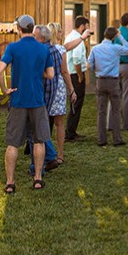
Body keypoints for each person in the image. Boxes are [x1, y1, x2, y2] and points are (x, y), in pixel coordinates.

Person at [0, 15, 54, 192]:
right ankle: (37, 178)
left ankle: (10, 183)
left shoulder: (12, 47)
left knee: (13, 143)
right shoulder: (43, 49)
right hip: (37, 100)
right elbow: (50, 74)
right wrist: (36, 74)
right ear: (32, 28)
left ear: (18, 29)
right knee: (39, 140)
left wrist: (5, 90)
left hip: (18, 100)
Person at [87, 25, 128, 146]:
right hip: (113, 81)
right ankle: (117, 139)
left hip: (100, 80)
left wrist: (95, 71)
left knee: (101, 111)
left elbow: (89, 64)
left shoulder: (95, 49)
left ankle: (101, 139)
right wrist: (120, 36)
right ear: (114, 36)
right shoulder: (116, 48)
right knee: (115, 110)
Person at [41, 22, 76, 163]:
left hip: (44, 85)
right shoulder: (60, 50)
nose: (62, 34)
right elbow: (64, 71)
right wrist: (72, 89)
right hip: (58, 87)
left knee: (43, 121)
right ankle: (60, 154)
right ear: (57, 33)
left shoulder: (42, 49)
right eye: (61, 32)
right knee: (59, 123)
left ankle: (44, 152)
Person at [64, 15, 92, 142]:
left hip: (71, 74)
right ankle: (70, 133)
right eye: (87, 26)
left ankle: (71, 131)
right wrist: (81, 76)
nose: (89, 29)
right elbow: (76, 60)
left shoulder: (70, 36)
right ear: (82, 27)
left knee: (74, 103)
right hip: (76, 75)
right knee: (76, 102)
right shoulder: (78, 40)